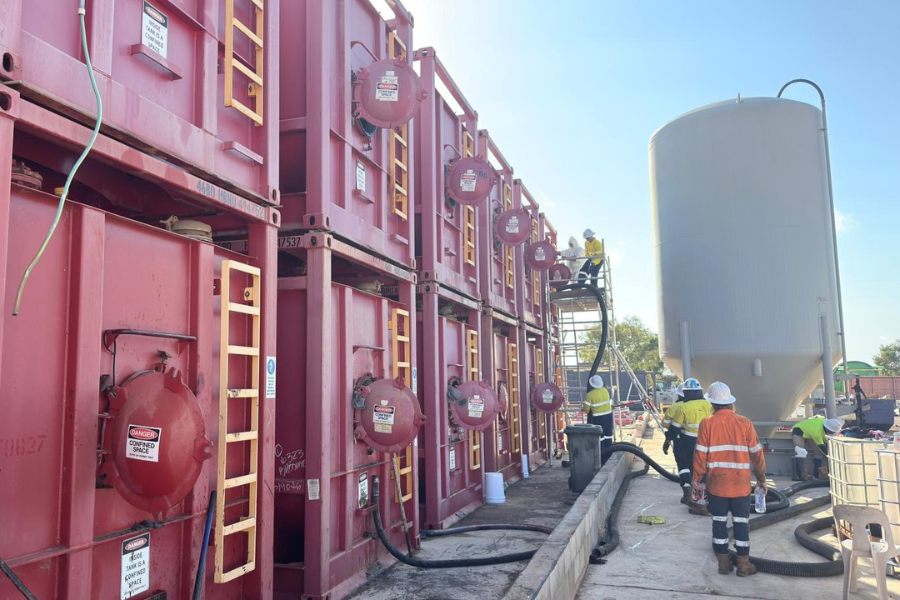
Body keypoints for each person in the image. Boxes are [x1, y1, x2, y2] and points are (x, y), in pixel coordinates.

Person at [693, 381, 767, 577]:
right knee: (741, 523)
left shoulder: (707, 423)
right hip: (740, 484)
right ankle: (743, 565)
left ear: (712, 404)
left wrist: (696, 480)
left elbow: (700, 454)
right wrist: (761, 478)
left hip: (716, 484)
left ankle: (723, 564)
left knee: (718, 522)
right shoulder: (744, 423)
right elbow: (757, 454)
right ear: (730, 403)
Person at [665, 378, 713, 514]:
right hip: (709, 443)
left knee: (696, 472)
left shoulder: (683, 408)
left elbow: (674, 428)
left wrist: (668, 440)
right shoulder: (709, 406)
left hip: (691, 444)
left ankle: (699, 503)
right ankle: (712, 500)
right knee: (708, 471)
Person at [791, 416, 844, 481]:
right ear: (828, 430)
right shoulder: (817, 434)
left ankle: (816, 474)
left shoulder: (824, 423)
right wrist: (832, 456)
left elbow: (825, 442)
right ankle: (801, 475)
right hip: (798, 430)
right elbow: (822, 448)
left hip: (810, 431)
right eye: (832, 432)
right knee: (800, 452)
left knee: (818, 453)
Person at [582, 374, 613, 464]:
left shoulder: (590, 395)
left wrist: (584, 408)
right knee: (608, 436)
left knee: (600, 437)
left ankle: (602, 457)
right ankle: (609, 454)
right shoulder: (605, 391)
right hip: (608, 416)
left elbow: (587, 410)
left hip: (598, 418)